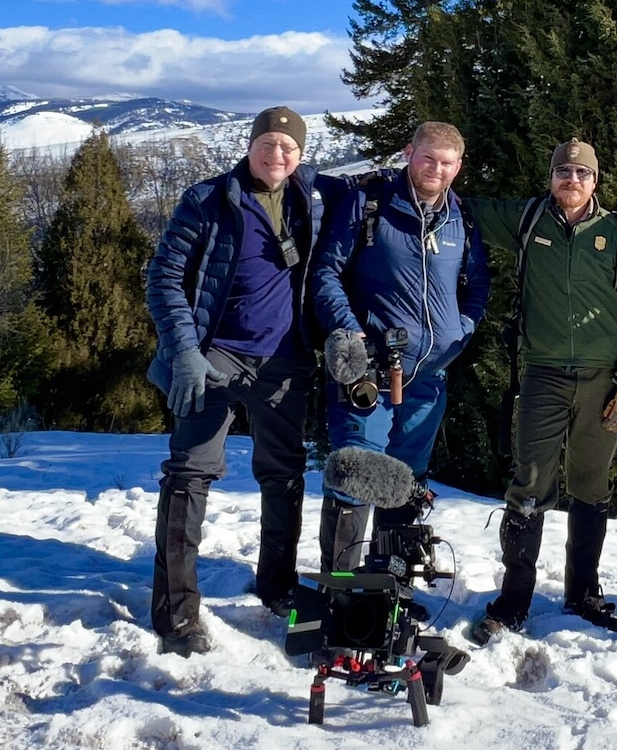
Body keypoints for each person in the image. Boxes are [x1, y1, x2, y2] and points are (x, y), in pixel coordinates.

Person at [146, 106, 324, 657]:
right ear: (251, 146)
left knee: (284, 474)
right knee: (189, 475)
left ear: (300, 156)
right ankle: (176, 612)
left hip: (284, 362)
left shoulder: (308, 197)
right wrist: (186, 354)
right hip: (215, 356)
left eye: (288, 148)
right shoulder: (208, 200)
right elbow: (163, 278)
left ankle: (277, 584)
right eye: (268, 144)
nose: (277, 155)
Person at [465, 138, 617, 643]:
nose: (571, 180)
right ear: (551, 176)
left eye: (582, 173)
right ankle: (513, 602)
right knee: (529, 485)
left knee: (591, 486)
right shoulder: (528, 221)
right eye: (563, 171)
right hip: (544, 375)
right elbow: (460, 206)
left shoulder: (615, 233)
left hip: (603, 381)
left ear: (596, 181)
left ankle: (583, 593)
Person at [310, 121, 490, 575]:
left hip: (429, 377)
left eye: (447, 162)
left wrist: (461, 331)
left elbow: (477, 284)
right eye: (428, 157)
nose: (436, 168)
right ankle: (342, 589)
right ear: (410, 153)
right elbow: (326, 274)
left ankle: (388, 586)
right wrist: (348, 334)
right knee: (357, 472)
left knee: (406, 478)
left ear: (458, 166)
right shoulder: (369, 205)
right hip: (368, 371)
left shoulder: (459, 219)